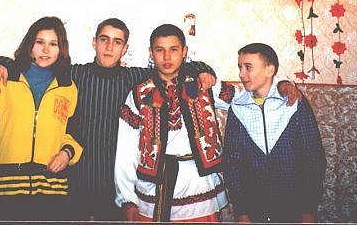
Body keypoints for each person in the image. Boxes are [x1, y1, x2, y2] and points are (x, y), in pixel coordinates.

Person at [0, 17, 221, 221]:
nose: (109, 47)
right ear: (94, 42)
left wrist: (201, 69)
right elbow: (40, 64)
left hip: (114, 189)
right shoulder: (73, 74)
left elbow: (170, 66)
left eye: (117, 42)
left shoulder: (136, 78)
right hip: (74, 184)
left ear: (125, 48)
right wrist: (3, 64)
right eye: (104, 39)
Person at [113, 24, 301, 222]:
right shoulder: (139, 94)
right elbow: (125, 150)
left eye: (174, 49)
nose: (167, 57)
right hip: (152, 190)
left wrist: (281, 83)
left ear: (184, 52)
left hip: (199, 188)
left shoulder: (204, 85)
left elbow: (249, 94)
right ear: (151, 53)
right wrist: (127, 199)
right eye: (160, 50)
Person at [0, 16, 82, 221]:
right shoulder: (5, 80)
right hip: (6, 189)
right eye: (40, 42)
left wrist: (66, 153)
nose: (45, 50)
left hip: (52, 190)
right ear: (30, 45)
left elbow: (73, 134)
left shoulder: (68, 87)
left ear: (61, 49)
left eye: (53, 44)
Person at [223, 43, 326, 223]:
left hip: (293, 207)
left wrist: (308, 209)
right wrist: (241, 211)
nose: (241, 74)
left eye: (248, 67)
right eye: (240, 67)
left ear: (270, 70)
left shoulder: (294, 104)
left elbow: (313, 158)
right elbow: (233, 164)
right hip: (254, 210)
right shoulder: (238, 108)